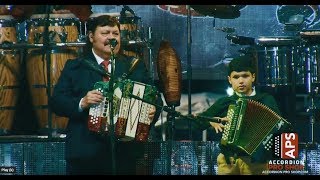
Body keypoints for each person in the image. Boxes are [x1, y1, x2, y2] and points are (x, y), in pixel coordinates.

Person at [49, 15, 161, 175]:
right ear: (91, 37)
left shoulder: (134, 66)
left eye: (115, 34)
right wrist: (82, 102)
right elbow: (57, 102)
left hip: (125, 152)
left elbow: (155, 99)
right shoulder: (76, 67)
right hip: (85, 153)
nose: (111, 37)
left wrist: (153, 110)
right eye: (105, 33)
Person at [193, 54, 282, 175]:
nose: (241, 81)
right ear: (229, 79)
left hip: (256, 162)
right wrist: (211, 121)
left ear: (253, 77)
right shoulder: (225, 102)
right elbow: (196, 124)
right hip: (228, 162)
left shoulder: (266, 100)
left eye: (245, 76)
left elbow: (280, 128)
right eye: (236, 77)